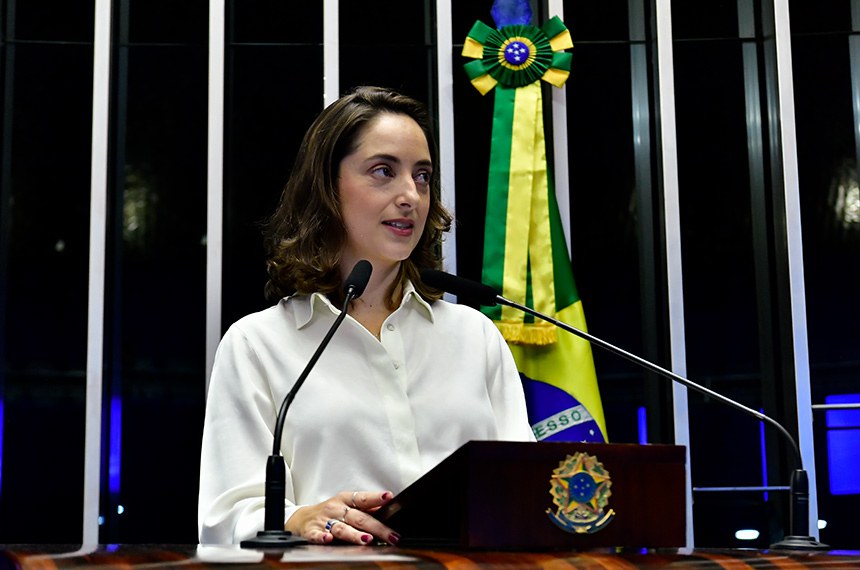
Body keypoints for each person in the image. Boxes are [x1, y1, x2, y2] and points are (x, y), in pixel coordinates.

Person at [197, 86, 535, 546]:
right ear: (327, 188)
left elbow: (528, 492)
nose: (411, 196)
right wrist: (298, 519)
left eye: (422, 176)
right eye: (383, 172)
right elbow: (225, 517)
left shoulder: (474, 336)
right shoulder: (258, 344)